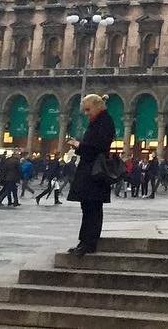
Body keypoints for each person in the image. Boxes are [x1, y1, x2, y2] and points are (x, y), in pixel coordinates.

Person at [67, 93, 116, 256]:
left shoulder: (104, 122)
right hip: (90, 171)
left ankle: (89, 243)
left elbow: (98, 147)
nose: (86, 113)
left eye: (88, 109)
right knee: (87, 207)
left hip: (95, 173)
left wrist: (79, 145)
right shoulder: (98, 121)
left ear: (97, 106)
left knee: (93, 208)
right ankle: (84, 241)